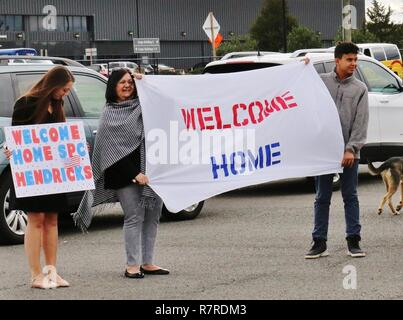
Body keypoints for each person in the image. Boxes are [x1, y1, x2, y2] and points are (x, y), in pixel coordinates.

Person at [72, 68, 169, 278]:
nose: (127, 86)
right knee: (134, 216)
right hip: (125, 174)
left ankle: (148, 262)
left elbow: (163, 100)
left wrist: (147, 82)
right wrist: (135, 174)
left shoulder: (144, 107)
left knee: (153, 215)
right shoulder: (109, 114)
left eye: (131, 83)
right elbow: (111, 149)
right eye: (122, 82)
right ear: (113, 86)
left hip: (152, 171)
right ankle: (132, 265)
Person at [4, 66, 75, 288]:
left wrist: (74, 152)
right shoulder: (25, 104)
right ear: (53, 85)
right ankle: (36, 275)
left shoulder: (57, 104)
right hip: (32, 172)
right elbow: (18, 138)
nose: (65, 94)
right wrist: (11, 148)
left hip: (52, 173)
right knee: (35, 219)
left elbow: (59, 140)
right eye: (64, 89)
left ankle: (52, 272)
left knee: (52, 220)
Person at [305, 42, 369, 259]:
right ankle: (319, 242)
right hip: (324, 153)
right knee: (322, 196)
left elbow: (360, 124)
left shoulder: (360, 89)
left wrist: (351, 149)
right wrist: (302, 66)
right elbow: (300, 87)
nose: (353, 63)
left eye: (355, 60)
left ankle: (354, 241)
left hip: (349, 154)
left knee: (350, 196)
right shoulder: (321, 82)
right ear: (337, 60)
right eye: (349, 59)